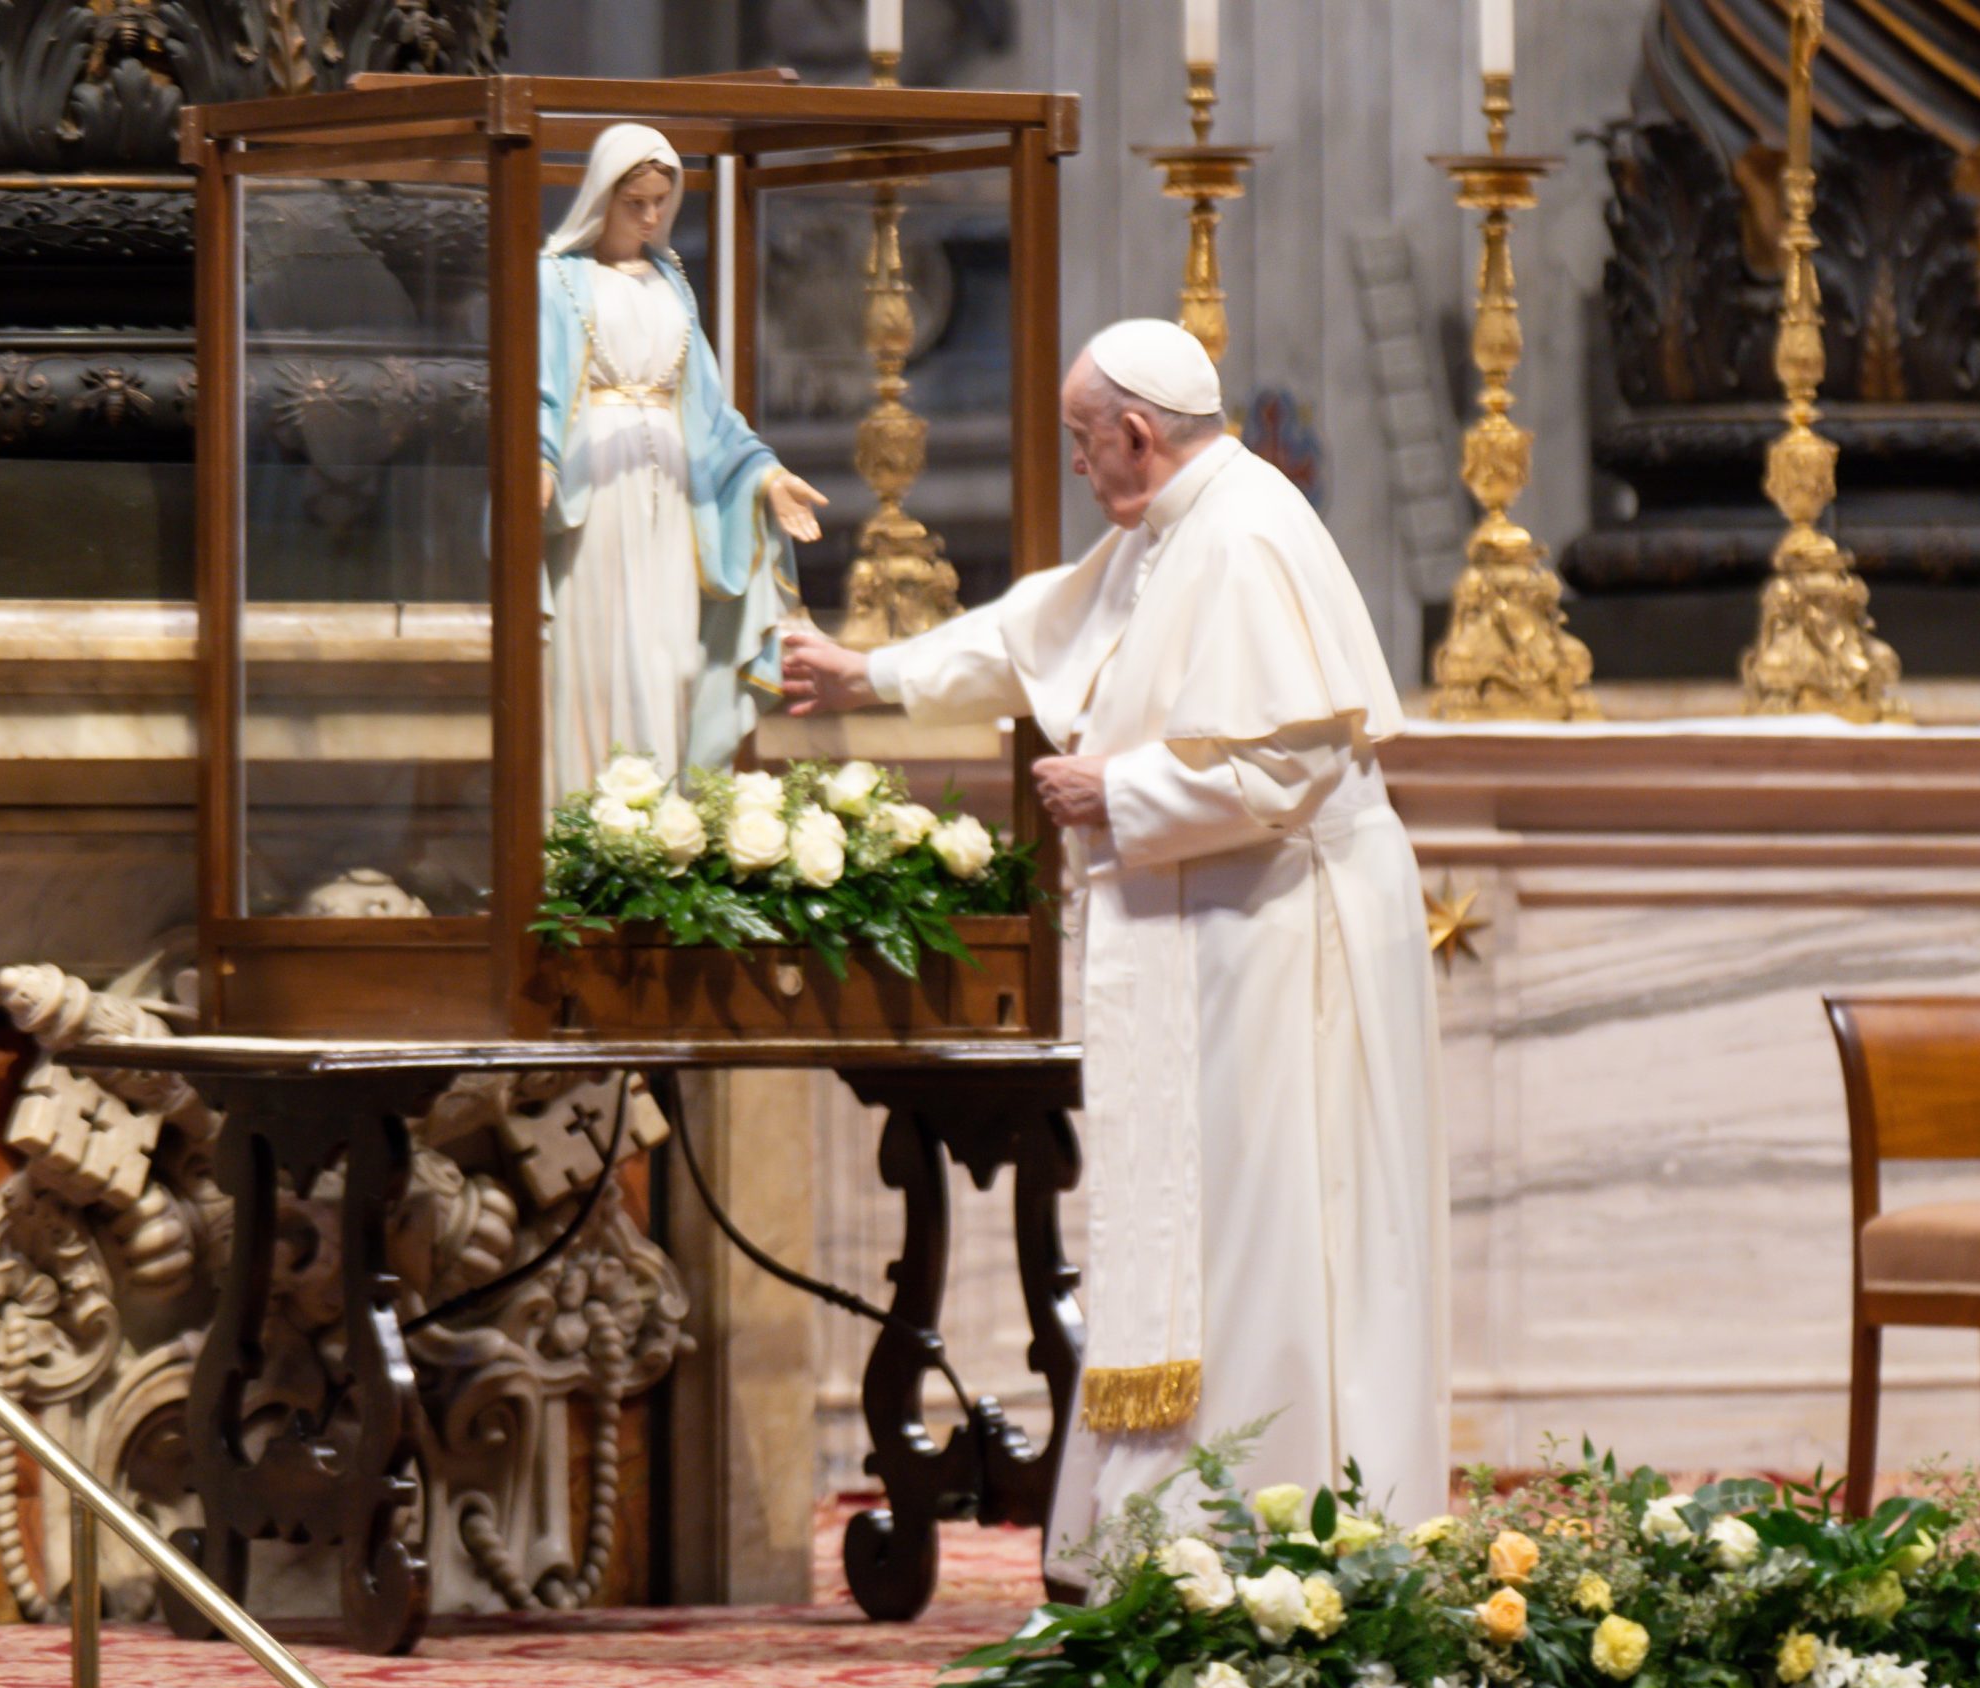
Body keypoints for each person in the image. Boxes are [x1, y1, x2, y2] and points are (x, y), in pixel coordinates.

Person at [783, 319, 1447, 1579]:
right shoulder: (1167, 531)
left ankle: (1274, 1547)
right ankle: (1173, 1542)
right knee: (1212, 1237)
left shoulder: (1248, 534)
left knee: (1269, 1233)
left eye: (1087, 445)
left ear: (1137, 434)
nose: (1081, 470)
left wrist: (1119, 794)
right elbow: (1035, 632)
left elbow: (1294, 759)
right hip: (1221, 929)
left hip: (1285, 943)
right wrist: (870, 673)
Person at [538, 124, 828, 799]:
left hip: (674, 496)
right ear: (601, 197)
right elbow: (539, 386)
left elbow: (710, 409)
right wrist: (540, 461)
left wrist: (767, 474)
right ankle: (586, 818)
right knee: (600, 655)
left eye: (660, 202)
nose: (648, 217)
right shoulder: (556, 278)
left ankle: (661, 811)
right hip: (597, 493)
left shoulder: (671, 281)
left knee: (669, 654)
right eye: (634, 201)